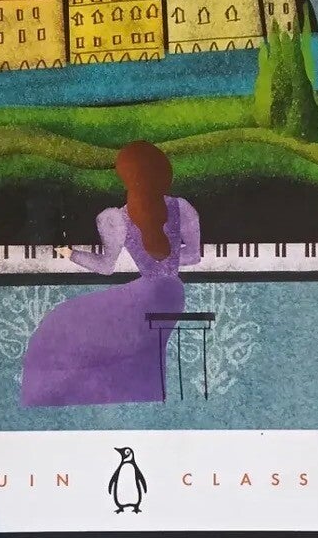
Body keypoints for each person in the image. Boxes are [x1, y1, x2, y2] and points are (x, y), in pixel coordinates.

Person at [20, 140, 201, 407]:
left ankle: (74, 393)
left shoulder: (115, 218)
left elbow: (106, 267)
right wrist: (168, 261)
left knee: (64, 319)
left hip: (147, 294)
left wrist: (70, 253)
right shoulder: (181, 207)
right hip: (173, 294)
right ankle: (144, 390)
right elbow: (194, 256)